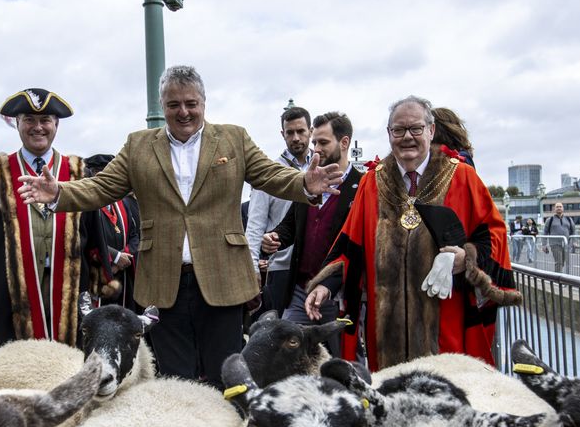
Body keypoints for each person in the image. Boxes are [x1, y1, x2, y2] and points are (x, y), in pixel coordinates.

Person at [17, 65, 343, 388]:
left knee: (227, 378)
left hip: (223, 279)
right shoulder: (138, 145)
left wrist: (304, 183)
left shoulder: (233, 138)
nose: (183, 112)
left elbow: (270, 175)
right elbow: (101, 187)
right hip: (163, 283)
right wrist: (58, 192)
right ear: (163, 107)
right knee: (175, 382)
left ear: (203, 103)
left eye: (191, 104)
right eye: (174, 105)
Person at [304, 96, 520, 371]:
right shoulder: (372, 183)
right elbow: (351, 245)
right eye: (399, 130)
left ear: (430, 131)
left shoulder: (462, 178)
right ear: (389, 134)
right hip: (386, 332)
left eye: (416, 129)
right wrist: (326, 284)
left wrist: (466, 258)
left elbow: (494, 235)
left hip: (445, 329)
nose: (407, 137)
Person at [0, 88, 86, 348]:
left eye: (45, 120)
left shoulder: (77, 172)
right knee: (16, 368)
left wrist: (96, 292)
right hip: (11, 292)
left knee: (70, 366)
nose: (38, 127)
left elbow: (92, 234)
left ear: (56, 124)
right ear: (17, 124)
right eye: (29, 120)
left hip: (69, 290)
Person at [260, 111, 364, 357]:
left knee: (344, 361)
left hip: (338, 294)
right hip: (300, 290)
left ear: (345, 142)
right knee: (285, 351)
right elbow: (290, 226)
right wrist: (275, 237)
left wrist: (330, 284)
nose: (316, 149)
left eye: (323, 142)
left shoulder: (362, 186)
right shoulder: (308, 181)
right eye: (315, 142)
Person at [244, 106, 313, 319]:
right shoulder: (269, 174)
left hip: (316, 266)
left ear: (310, 131)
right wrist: (252, 269)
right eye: (290, 132)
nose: (296, 138)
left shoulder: (321, 169)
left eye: (301, 131)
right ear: (282, 134)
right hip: (282, 268)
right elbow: (254, 226)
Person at [80, 153, 140, 309]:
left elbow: (135, 236)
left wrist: (123, 258)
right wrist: (114, 257)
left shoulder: (123, 203)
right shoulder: (85, 205)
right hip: (98, 276)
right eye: (99, 174)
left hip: (124, 274)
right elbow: (86, 239)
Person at [543, 202, 575, 272]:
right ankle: (558, 280)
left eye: (560, 207)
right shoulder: (550, 220)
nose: (559, 208)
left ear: (563, 208)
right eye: (557, 207)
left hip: (566, 244)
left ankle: (559, 275)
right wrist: (544, 245)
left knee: (562, 262)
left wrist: (574, 242)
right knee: (558, 262)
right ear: (554, 209)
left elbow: (573, 231)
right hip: (555, 244)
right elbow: (545, 232)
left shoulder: (569, 219)